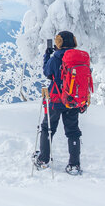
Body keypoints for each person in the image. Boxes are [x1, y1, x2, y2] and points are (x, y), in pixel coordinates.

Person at [33, 30, 82, 175]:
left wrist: (47, 55)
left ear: (59, 43)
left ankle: (43, 159)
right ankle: (74, 165)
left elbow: (47, 73)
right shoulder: (78, 58)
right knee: (73, 131)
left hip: (56, 99)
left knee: (47, 128)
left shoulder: (56, 58)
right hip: (73, 100)